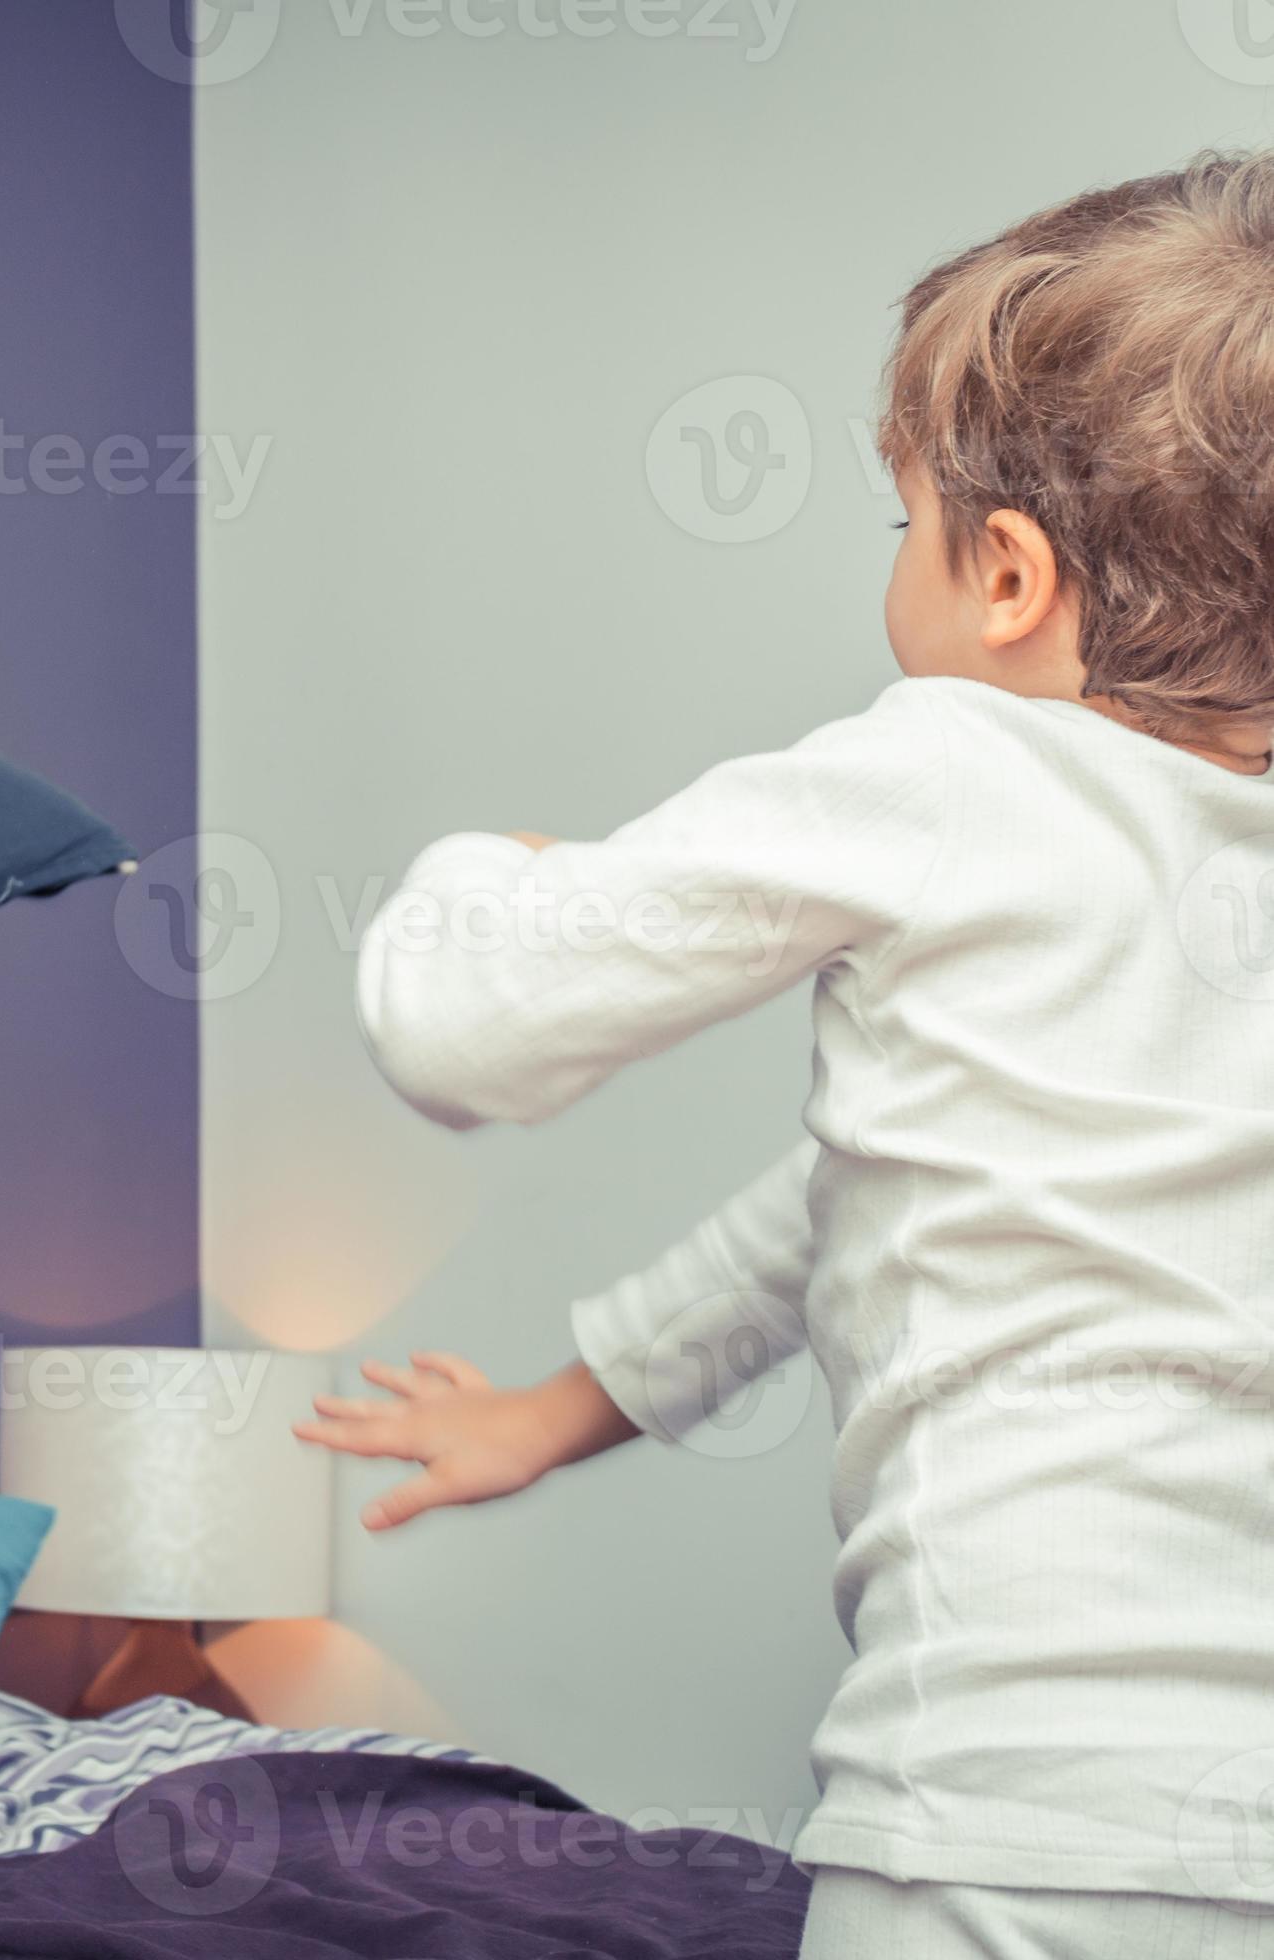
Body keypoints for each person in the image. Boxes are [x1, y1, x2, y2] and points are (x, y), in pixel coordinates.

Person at [300, 153, 1274, 1959]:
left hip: (1000, 1820)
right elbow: (851, 1199)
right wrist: (552, 1411)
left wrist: (487, 874)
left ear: (1006, 577)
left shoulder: (957, 769)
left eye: (897, 523)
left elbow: (461, 1028)